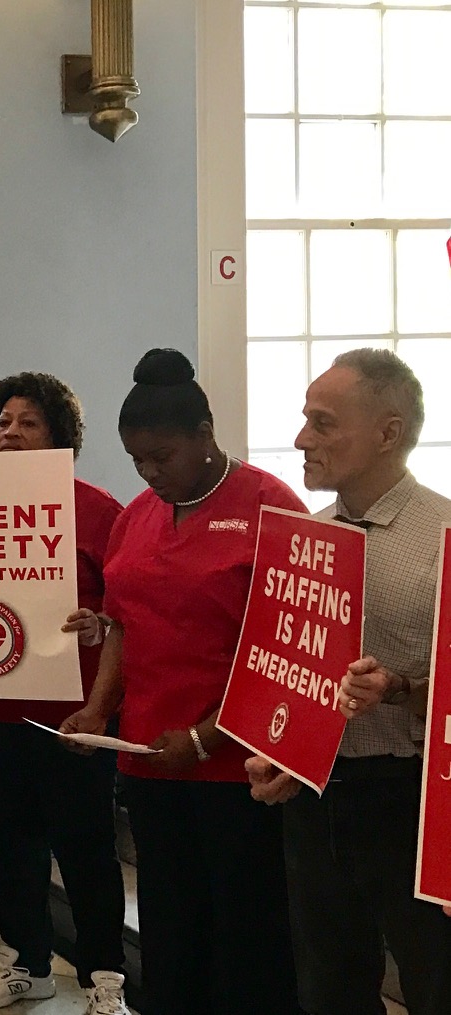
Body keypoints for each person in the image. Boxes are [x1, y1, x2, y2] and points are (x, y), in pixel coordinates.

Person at [59, 349, 304, 1015]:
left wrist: (203, 737)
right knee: (170, 932)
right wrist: (98, 708)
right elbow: (122, 624)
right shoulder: (138, 516)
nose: (149, 472)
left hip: (239, 773)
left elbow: (284, 654)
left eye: (162, 455)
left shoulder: (270, 506)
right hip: (150, 764)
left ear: (205, 434)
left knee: (247, 941)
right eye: (136, 458)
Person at [247, 349, 451, 1015]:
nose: (302, 438)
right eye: (305, 419)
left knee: (435, 980)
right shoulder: (304, 539)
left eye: (323, 422)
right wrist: (275, 751)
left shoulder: (444, 535)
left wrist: (399, 686)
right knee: (328, 985)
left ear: (388, 433)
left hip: (413, 801)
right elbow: (284, 672)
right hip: (317, 796)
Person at [0, 374, 126, 1014]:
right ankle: (25, 963)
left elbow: (127, 615)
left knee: (85, 842)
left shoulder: (98, 510)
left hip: (73, 712)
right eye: (2, 422)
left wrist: (97, 634)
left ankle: (106, 978)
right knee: (11, 836)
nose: (10, 433)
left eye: (29, 423)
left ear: (60, 437)